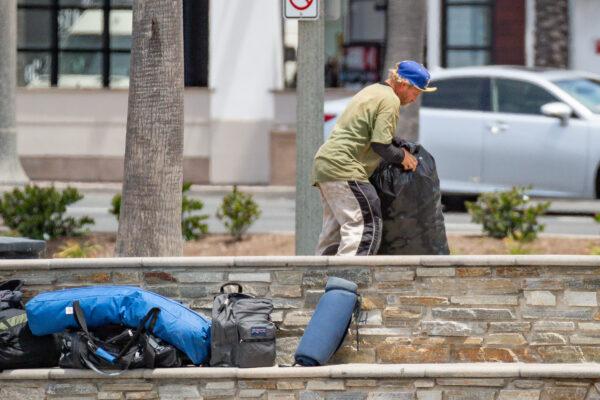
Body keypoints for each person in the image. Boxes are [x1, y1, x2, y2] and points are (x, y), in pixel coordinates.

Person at [311, 60, 437, 256]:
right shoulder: (390, 100)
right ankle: (347, 281)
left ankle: (318, 280)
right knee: (364, 223)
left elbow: (370, 133)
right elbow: (381, 144)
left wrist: (398, 145)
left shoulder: (372, 91)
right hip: (345, 166)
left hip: (326, 163)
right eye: (417, 91)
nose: (415, 98)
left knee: (334, 231)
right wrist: (403, 157)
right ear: (404, 84)